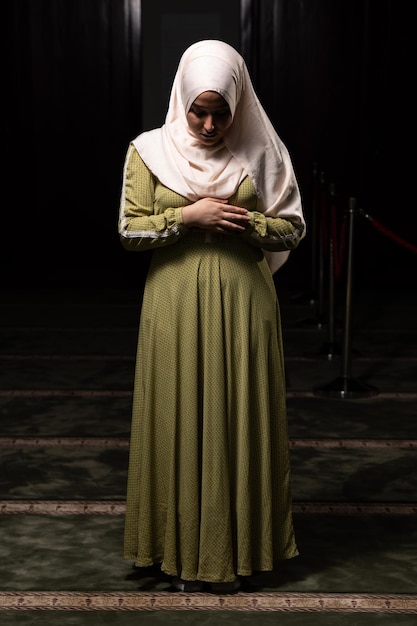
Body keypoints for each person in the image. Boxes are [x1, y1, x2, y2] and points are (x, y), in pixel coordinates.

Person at [118, 39, 306, 594]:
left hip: (245, 304)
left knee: (237, 416)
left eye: (220, 113)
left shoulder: (263, 151)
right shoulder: (149, 150)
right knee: (176, 415)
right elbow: (130, 229)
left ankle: (240, 551)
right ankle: (172, 551)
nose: (206, 125)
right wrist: (187, 215)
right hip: (173, 305)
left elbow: (293, 227)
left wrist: (248, 224)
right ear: (181, 100)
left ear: (238, 103)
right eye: (198, 111)